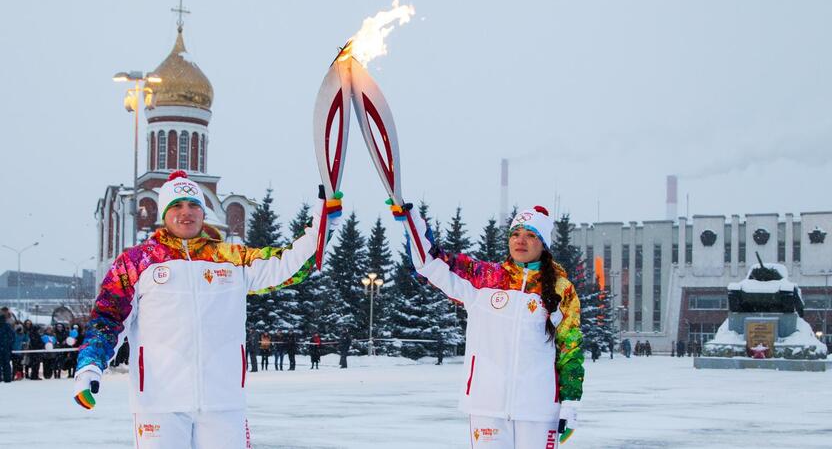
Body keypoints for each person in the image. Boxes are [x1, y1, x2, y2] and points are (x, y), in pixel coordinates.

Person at [72, 171, 342, 449]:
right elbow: (108, 317)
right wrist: (90, 367)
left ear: (203, 211)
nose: (186, 212)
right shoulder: (137, 262)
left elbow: (291, 265)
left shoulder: (230, 258)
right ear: (164, 213)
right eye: (176, 205)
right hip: (159, 403)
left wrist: (323, 226)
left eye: (193, 204)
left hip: (223, 401)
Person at [391, 203, 584, 448]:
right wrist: (413, 223)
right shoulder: (484, 277)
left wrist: (570, 403)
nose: (520, 240)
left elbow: (570, 348)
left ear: (544, 244)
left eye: (530, 235)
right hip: (487, 403)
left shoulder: (561, 289)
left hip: (539, 407)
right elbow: (430, 263)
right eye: (515, 234)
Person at [0, 308, 13, 383]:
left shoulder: (7, 326)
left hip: (3, 347)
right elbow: (12, 337)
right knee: (6, 364)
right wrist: (9, 345)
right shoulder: (7, 326)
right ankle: (7, 378)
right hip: (6, 348)